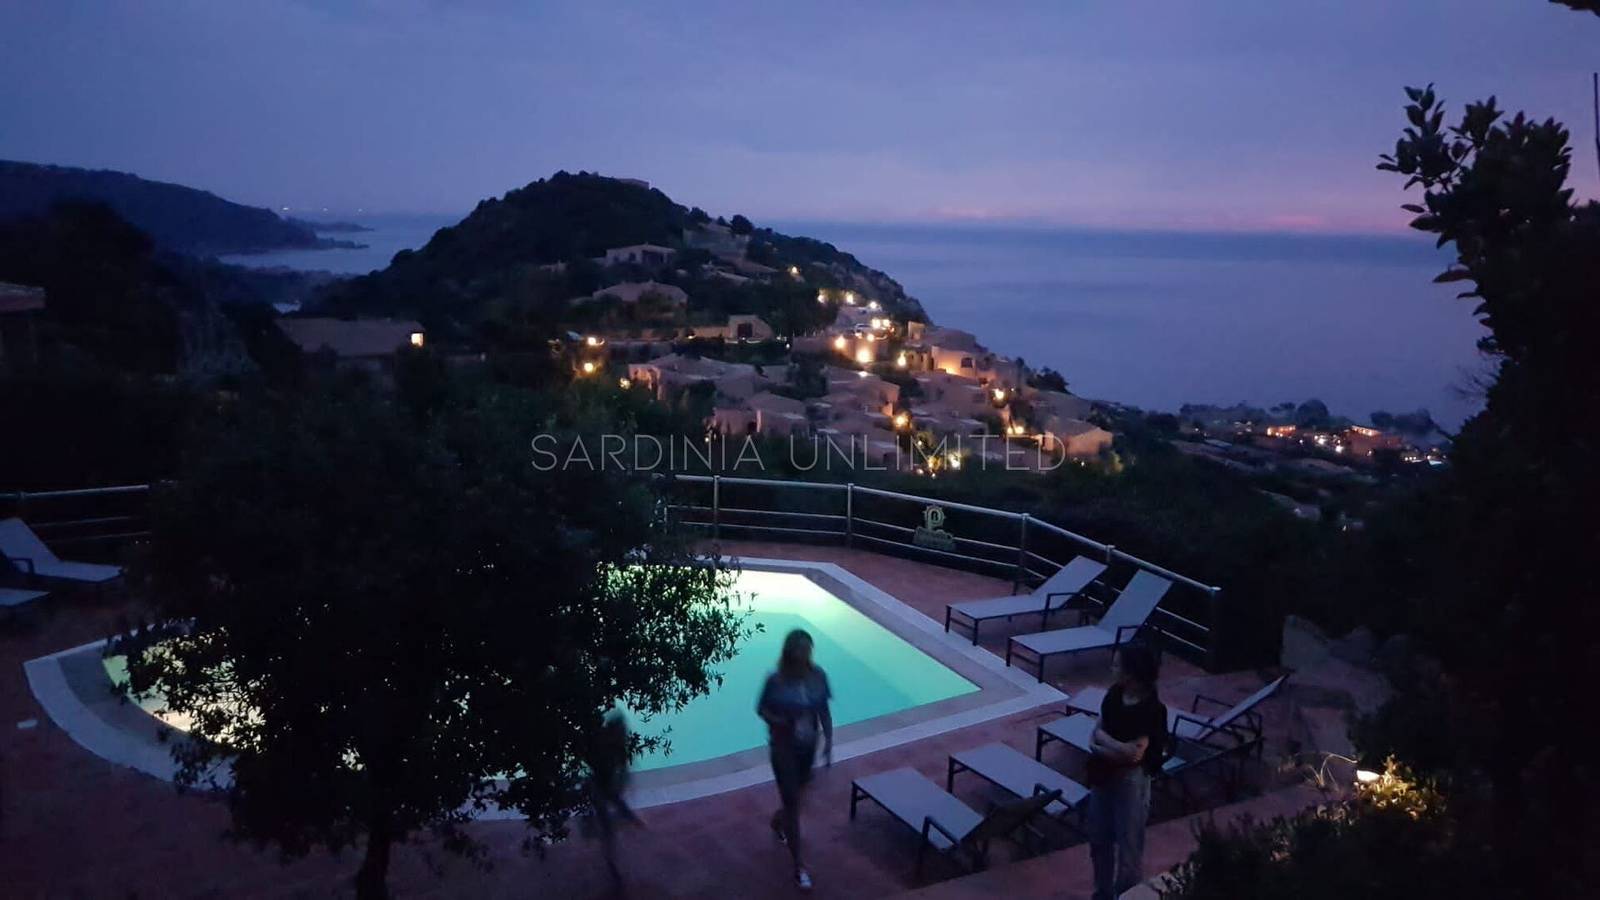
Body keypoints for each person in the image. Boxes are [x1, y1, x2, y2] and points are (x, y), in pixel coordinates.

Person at [1086, 643, 1167, 900]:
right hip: (1103, 776)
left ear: (1131, 674)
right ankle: (1103, 893)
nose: (1112, 669)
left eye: (1117, 665)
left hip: (1131, 783)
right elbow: (1095, 735)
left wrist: (1105, 744)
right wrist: (1116, 747)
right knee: (1099, 840)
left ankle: (1127, 895)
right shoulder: (1113, 695)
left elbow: (1135, 756)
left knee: (1129, 845)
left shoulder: (1152, 710)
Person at [757, 629, 833, 892]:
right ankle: (799, 867)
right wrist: (779, 722)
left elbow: (823, 710)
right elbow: (762, 709)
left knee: (794, 800)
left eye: (807, 649)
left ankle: (779, 821)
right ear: (789, 652)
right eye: (799, 649)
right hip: (783, 749)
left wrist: (829, 745)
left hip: (807, 748)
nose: (804, 654)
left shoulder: (818, 676)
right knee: (793, 804)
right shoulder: (776, 681)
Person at [585, 708, 642, 896]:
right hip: (598, 786)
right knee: (607, 825)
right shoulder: (601, 742)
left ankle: (611, 858)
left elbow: (623, 767)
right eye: (620, 729)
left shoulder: (618, 745)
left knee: (610, 816)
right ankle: (612, 865)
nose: (623, 731)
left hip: (606, 783)